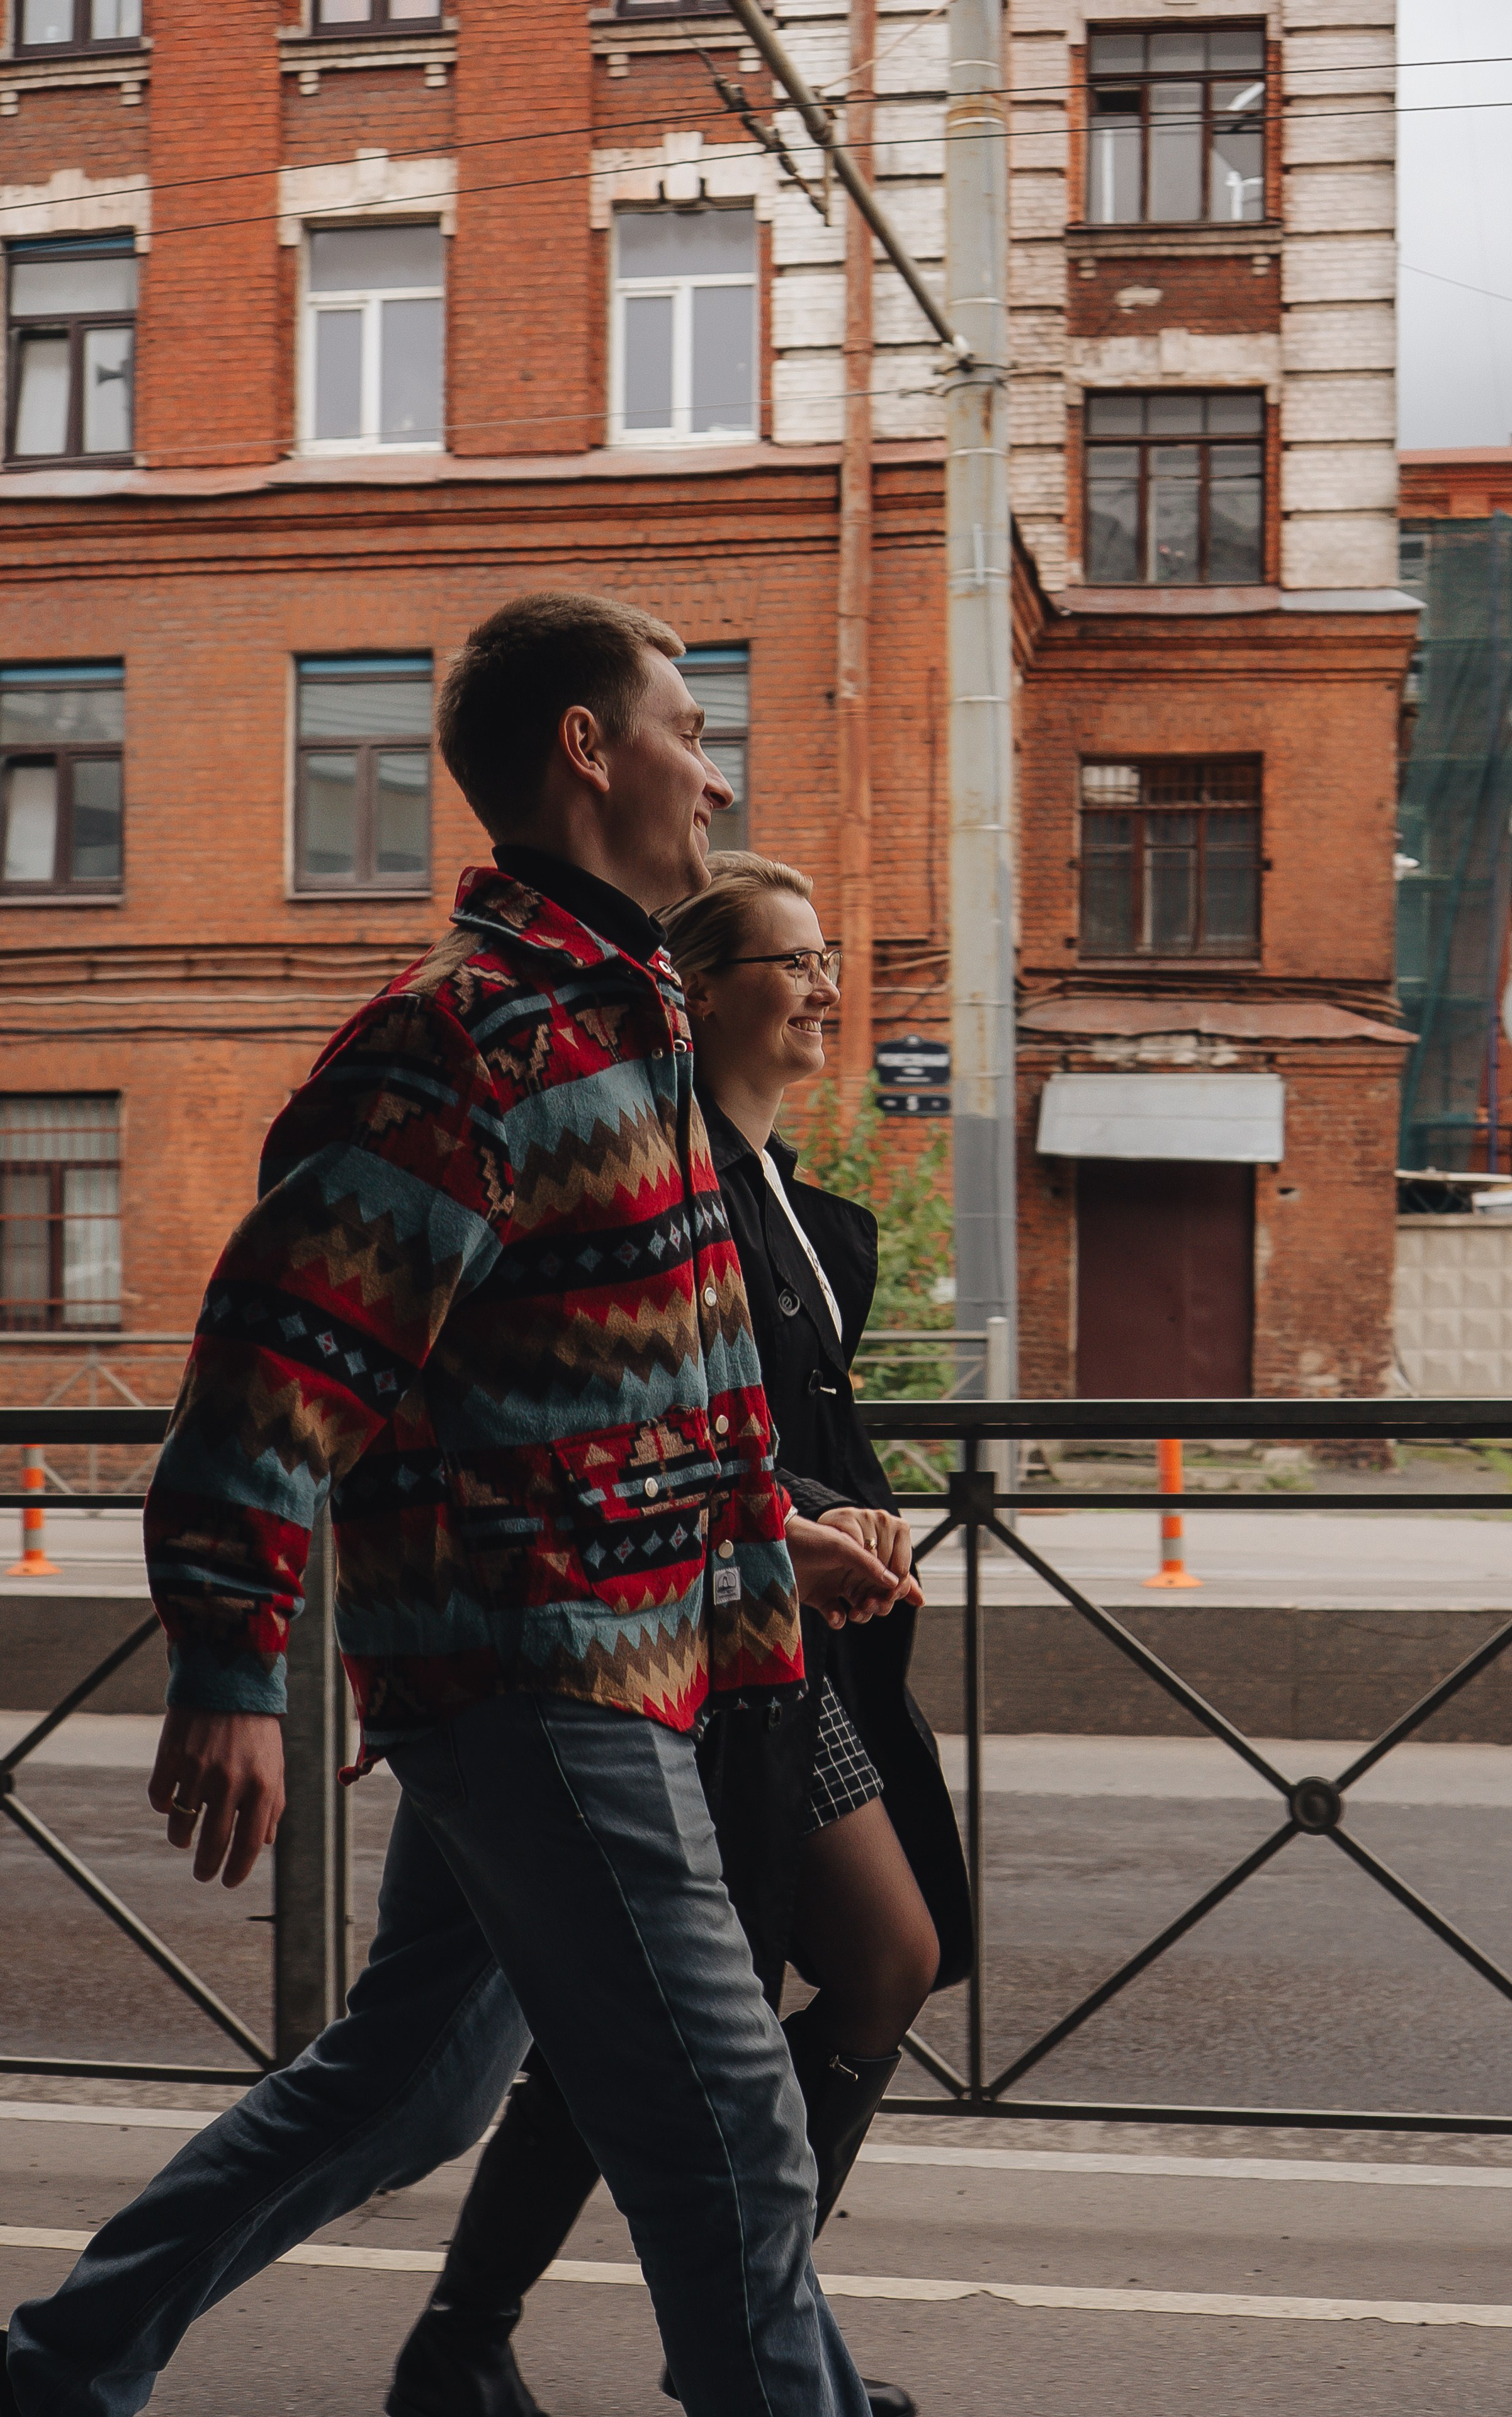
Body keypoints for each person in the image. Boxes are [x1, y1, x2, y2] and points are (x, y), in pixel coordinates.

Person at [1, 593, 916, 2417]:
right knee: (728, 2125)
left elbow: (630, 1389)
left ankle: (54, 2368)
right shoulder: (463, 1043)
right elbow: (272, 1366)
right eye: (686, 724)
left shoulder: (626, 1026)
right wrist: (233, 1660)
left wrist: (763, 1540)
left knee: (409, 2084)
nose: (713, 769)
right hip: (540, 1676)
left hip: (629, 1649)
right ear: (590, 748)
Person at [388, 854, 971, 2417]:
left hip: (771, 1623)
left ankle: (507, 2334)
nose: (828, 986)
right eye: (792, 960)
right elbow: (651, 1412)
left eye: (832, 955)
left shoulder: (785, 1191)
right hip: (686, 1632)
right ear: (698, 992)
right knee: (819, 1975)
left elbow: (776, 1417)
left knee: (617, 2028)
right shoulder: (666, 1168)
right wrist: (792, 1516)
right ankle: (745, 2334)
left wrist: (860, 1508)